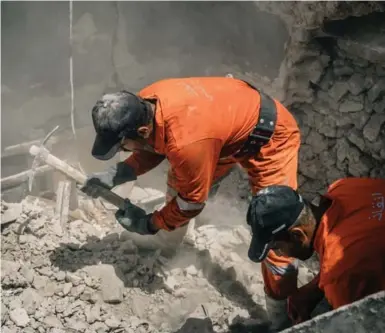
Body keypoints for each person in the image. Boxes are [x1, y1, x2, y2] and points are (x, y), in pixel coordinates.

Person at [82, 77, 301, 328]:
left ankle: (283, 319)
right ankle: (168, 241)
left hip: (270, 138)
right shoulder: (145, 102)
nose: (123, 151)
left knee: (275, 228)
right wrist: (117, 174)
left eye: (122, 146)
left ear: (141, 130)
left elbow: (191, 203)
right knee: (180, 178)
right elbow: (153, 146)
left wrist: (149, 223)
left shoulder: (188, 144)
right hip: (223, 131)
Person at [246, 178, 385, 325]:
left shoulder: (341, 277)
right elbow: (362, 240)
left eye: (277, 247)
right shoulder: (345, 187)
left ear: (297, 235)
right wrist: (314, 289)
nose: (280, 254)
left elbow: (362, 326)